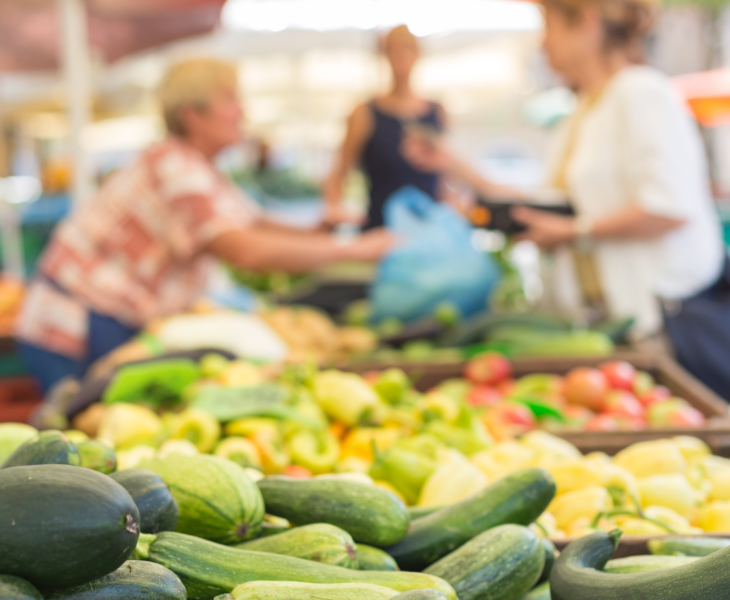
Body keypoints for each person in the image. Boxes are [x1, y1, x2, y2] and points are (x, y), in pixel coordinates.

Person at [15, 58, 392, 393]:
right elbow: (247, 250)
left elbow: (254, 222)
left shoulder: (201, 169)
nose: (241, 111)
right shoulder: (174, 167)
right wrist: (354, 250)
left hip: (111, 318)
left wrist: (319, 229)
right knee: (81, 439)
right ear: (191, 114)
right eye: (229, 99)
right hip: (74, 325)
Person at [403, 0, 725, 344]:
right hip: (609, 328)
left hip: (665, 328)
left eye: (549, 26)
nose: (543, 43)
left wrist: (574, 231)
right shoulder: (582, 111)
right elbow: (552, 203)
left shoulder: (641, 91)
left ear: (586, 23)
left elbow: (669, 206)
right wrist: (454, 165)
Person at [324, 25, 448, 230]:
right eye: (395, 50)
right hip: (381, 230)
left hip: (429, 229)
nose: (401, 58)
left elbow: (444, 177)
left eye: (407, 49)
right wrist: (333, 208)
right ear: (385, 55)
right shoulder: (365, 113)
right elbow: (340, 170)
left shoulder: (436, 111)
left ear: (417, 54)